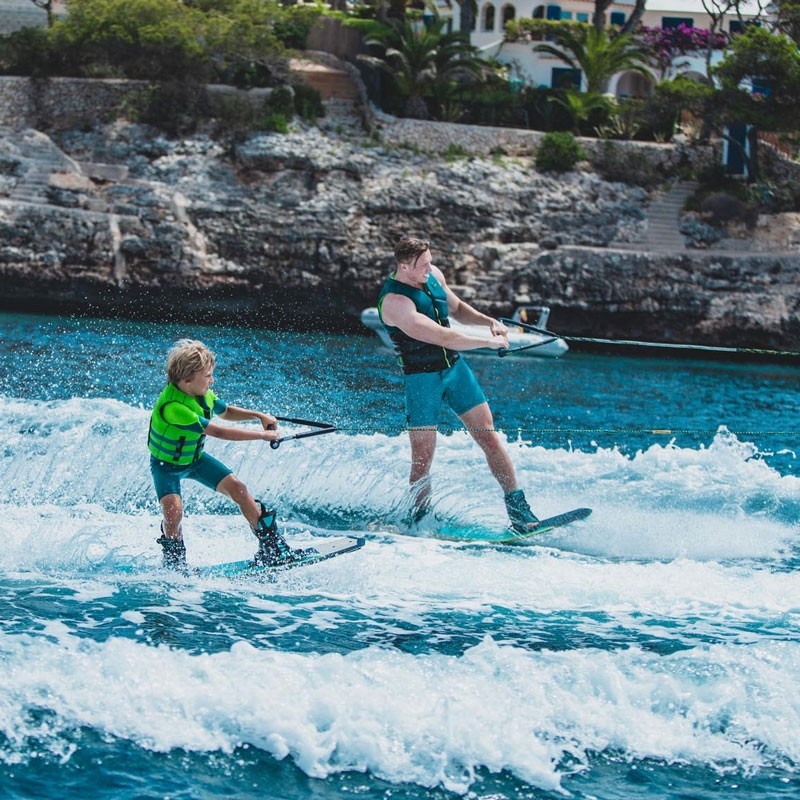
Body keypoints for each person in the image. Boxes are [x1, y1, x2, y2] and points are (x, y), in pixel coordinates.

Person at [377, 236, 540, 534]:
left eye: (429, 260)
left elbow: (457, 309)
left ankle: (520, 512)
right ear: (403, 266)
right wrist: (489, 343)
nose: (430, 267)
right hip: (421, 380)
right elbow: (443, 336)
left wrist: (487, 321)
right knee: (423, 458)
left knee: (489, 438)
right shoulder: (395, 302)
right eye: (423, 264)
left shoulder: (433, 275)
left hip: (455, 371)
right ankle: (417, 519)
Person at [147, 338, 301, 570]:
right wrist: (262, 436)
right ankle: (174, 560)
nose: (212, 379)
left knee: (239, 489)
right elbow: (218, 431)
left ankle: (271, 546)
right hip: (165, 466)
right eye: (207, 376)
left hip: (195, 461)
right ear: (188, 379)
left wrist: (260, 416)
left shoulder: (202, 394)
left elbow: (226, 412)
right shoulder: (173, 408)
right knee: (173, 511)